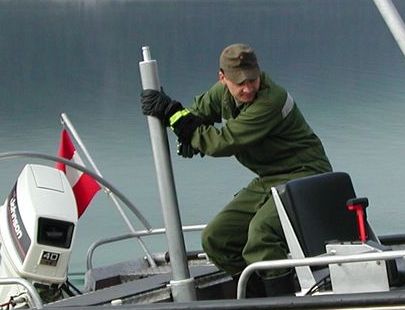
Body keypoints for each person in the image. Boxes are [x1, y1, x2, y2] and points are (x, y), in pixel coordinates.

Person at [141, 43, 332, 296]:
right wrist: (182, 125)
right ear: (222, 78)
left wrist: (176, 116)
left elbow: (222, 143)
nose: (248, 88)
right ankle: (257, 300)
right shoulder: (221, 93)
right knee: (216, 238)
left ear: (259, 72)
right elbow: (198, 115)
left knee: (261, 235)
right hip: (270, 178)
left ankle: (283, 305)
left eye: (252, 80)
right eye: (240, 83)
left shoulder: (270, 100)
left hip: (306, 173)